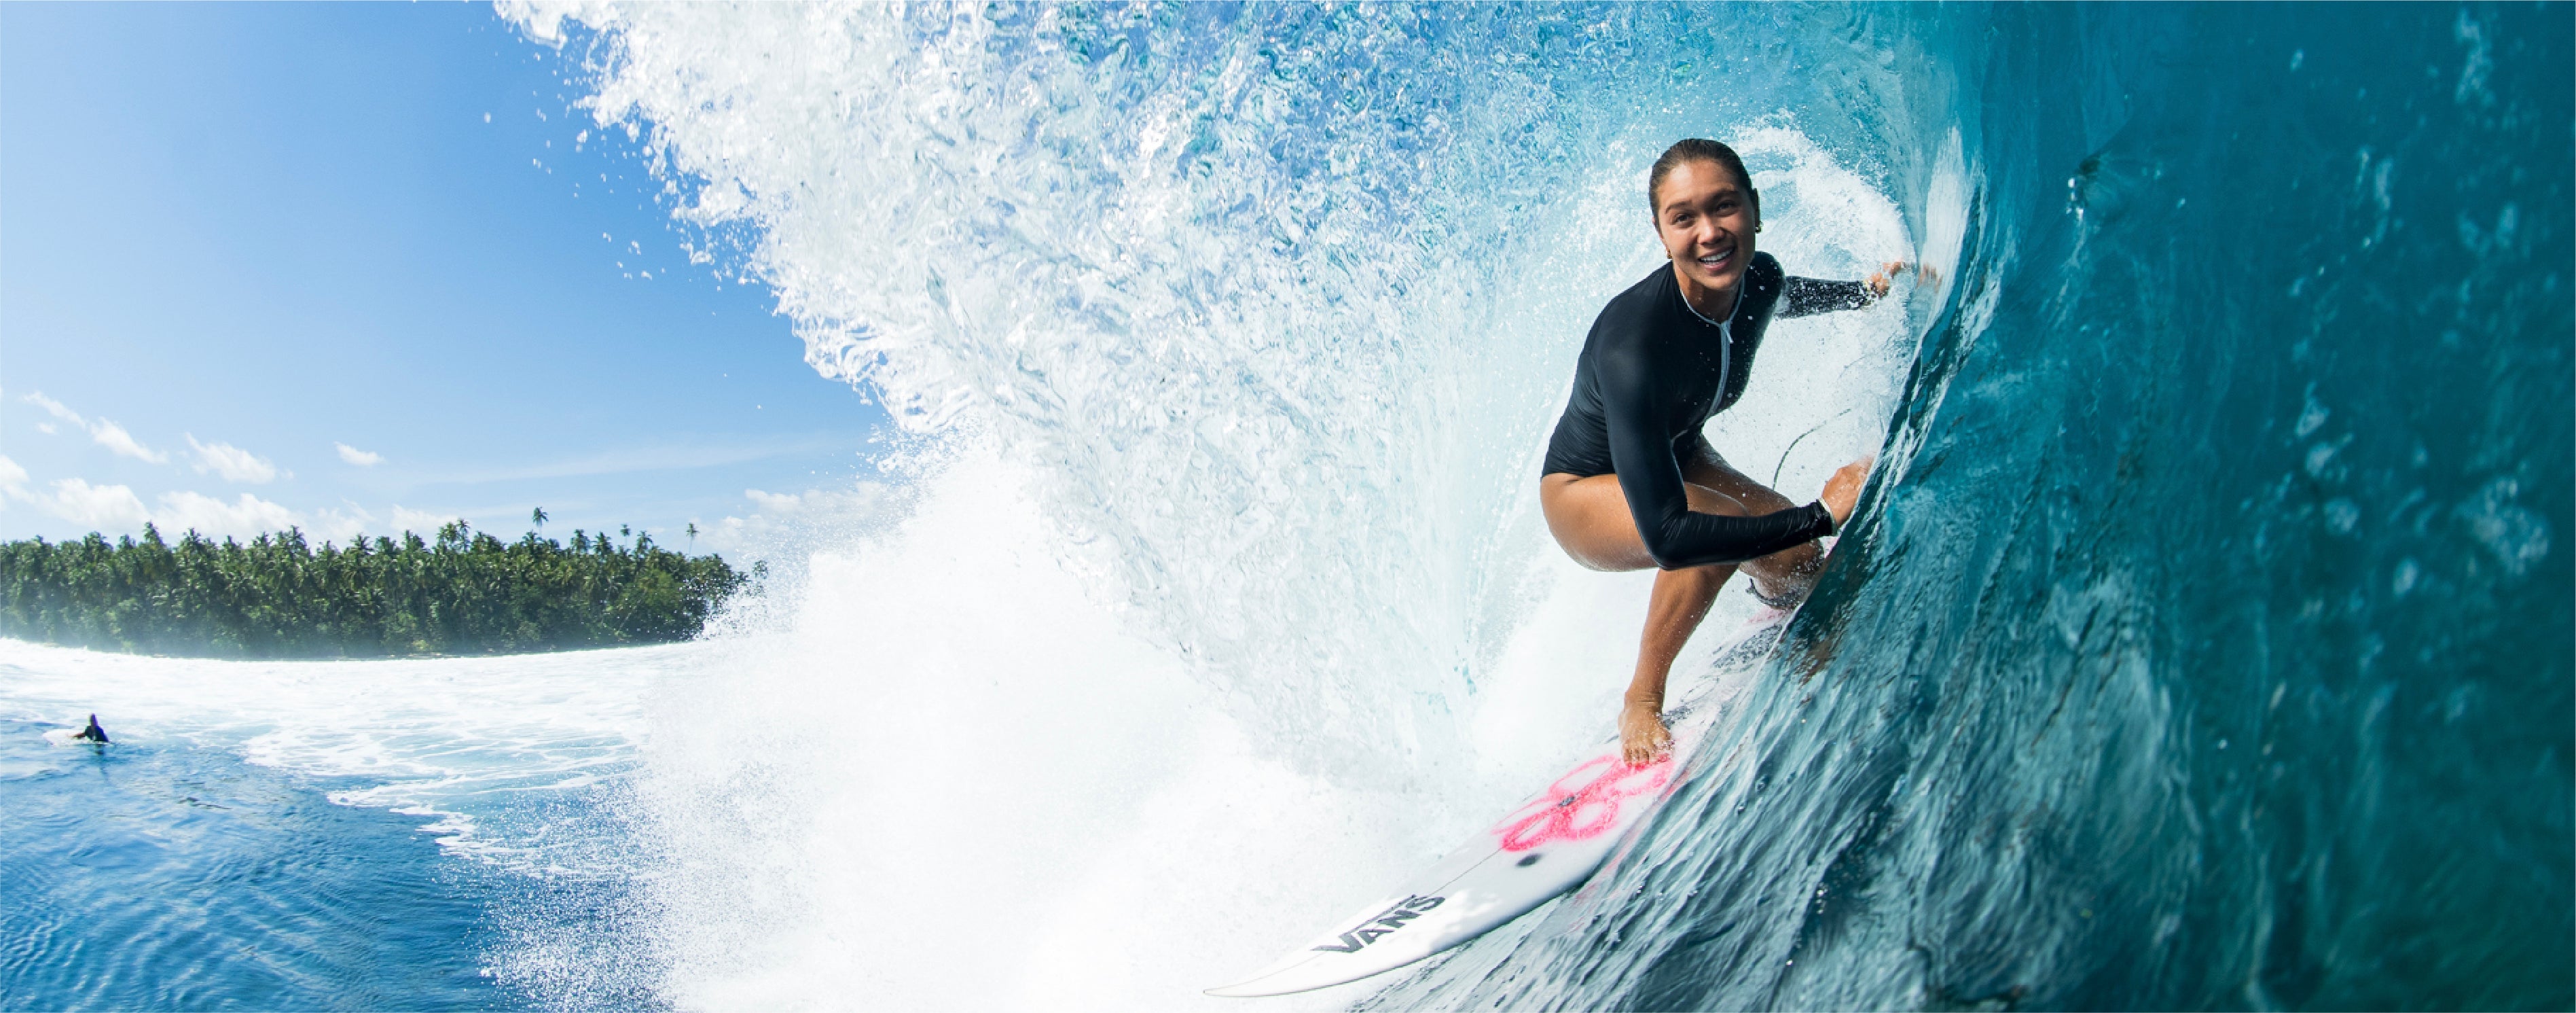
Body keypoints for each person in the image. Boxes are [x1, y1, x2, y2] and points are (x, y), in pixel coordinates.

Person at [1539, 137, 1903, 764]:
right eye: (1683, 217)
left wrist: (1863, 293)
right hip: (1582, 492)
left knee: (1795, 559)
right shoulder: (1633, 344)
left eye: (1723, 206)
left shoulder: (1759, 279)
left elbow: (1782, 298)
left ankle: (1769, 604)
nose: (1709, 232)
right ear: (1661, 234)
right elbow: (1668, 536)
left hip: (1679, 450)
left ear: (1753, 209)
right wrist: (1822, 512)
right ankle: (1641, 696)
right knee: (1721, 526)